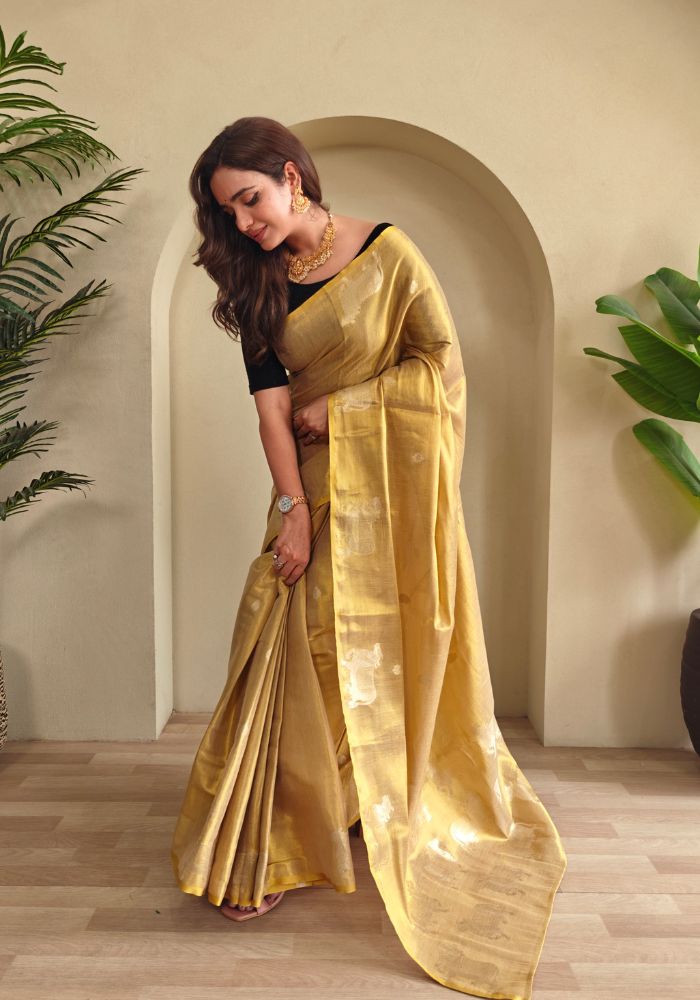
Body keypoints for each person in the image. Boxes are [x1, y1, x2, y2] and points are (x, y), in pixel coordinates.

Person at [170, 116, 567, 1000]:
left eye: (250, 200)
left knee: (380, 646)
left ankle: (351, 804)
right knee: (296, 649)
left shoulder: (390, 253)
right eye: (228, 213)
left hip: (394, 488)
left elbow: (442, 366)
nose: (243, 223)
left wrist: (347, 407)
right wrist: (293, 511)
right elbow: (272, 413)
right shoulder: (254, 281)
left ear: (291, 176)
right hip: (314, 490)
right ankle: (276, 840)